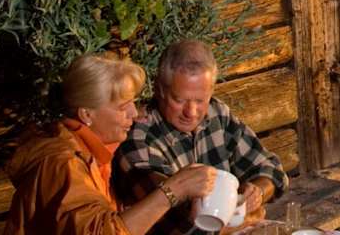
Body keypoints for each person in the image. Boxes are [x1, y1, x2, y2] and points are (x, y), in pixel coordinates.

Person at [5, 53, 220, 235]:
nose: (134, 113)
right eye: (122, 107)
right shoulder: (61, 164)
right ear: (86, 114)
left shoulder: (94, 154)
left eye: (133, 102)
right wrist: (175, 189)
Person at [115, 40, 288, 235]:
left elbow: (272, 170)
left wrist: (258, 192)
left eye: (200, 100)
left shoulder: (217, 113)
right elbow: (179, 227)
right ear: (159, 89)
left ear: (211, 91)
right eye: (179, 100)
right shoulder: (138, 139)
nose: (191, 112)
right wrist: (248, 219)